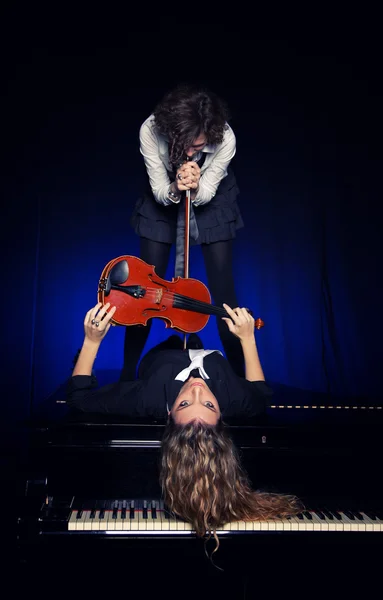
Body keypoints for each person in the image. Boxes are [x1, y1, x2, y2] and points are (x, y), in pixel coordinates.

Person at [67, 302, 302, 552]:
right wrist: (247, 338)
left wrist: (91, 341)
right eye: (210, 405)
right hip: (208, 352)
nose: (197, 388)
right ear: (222, 413)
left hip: (160, 357)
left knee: (151, 346)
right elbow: (261, 394)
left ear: (169, 412)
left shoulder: (149, 396)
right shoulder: (234, 398)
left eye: (186, 403)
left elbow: (79, 397)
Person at [123, 83, 245, 382]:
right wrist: (177, 186)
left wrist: (197, 185)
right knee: (144, 291)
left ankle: (244, 379)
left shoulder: (226, 137)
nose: (192, 152)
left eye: (199, 145)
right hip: (164, 192)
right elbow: (159, 190)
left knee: (224, 293)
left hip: (213, 199)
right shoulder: (150, 130)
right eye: (185, 145)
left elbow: (206, 193)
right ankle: (126, 379)